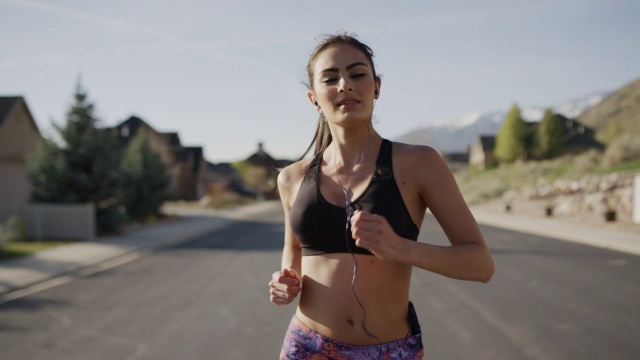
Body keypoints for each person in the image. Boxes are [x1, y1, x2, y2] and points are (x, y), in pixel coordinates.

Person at [269, 32, 495, 359]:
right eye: (330, 78)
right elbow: (294, 248)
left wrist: (400, 248)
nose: (345, 84)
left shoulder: (419, 163)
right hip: (307, 347)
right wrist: (285, 279)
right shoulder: (291, 178)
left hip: (390, 352)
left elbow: (480, 266)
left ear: (376, 86)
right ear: (314, 98)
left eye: (357, 74)